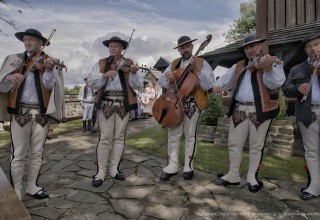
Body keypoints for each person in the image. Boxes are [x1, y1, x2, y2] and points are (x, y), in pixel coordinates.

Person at [212, 32, 285, 192]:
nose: (250, 50)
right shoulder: (239, 65)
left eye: (252, 46)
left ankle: (252, 177)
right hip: (239, 108)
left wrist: (267, 68)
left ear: (259, 46)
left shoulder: (272, 62)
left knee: (256, 145)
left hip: (260, 109)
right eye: (246, 48)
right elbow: (225, 80)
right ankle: (233, 174)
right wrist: (219, 85)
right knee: (234, 143)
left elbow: (276, 82)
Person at [0, 29, 62, 199]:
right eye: (26, 40)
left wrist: (48, 70)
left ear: (41, 43)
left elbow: (50, 87)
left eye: (32, 40)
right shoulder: (13, 61)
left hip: (41, 113)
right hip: (20, 111)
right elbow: (2, 88)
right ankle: (16, 192)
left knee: (37, 152)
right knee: (18, 154)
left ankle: (32, 186)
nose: (27, 43)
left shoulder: (48, 61)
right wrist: (8, 79)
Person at [86, 36, 143, 187]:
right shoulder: (102, 63)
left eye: (116, 46)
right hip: (106, 103)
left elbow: (137, 86)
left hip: (123, 104)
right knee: (105, 138)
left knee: (119, 138)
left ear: (122, 48)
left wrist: (134, 73)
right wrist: (104, 75)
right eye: (111, 46)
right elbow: (90, 80)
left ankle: (114, 169)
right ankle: (101, 172)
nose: (113, 48)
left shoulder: (129, 63)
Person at [157, 35, 214, 180]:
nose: (185, 49)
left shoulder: (201, 62)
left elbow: (209, 85)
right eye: (182, 48)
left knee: (190, 135)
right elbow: (161, 81)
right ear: (179, 50)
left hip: (192, 103)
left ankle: (189, 165)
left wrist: (199, 71)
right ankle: (172, 165)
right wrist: (168, 75)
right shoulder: (174, 63)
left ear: (193, 47)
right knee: (173, 135)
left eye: (187, 46)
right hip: (174, 103)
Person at [283, 33, 320, 200]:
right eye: (310, 46)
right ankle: (314, 187)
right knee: (311, 151)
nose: (314, 48)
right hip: (307, 112)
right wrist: (298, 87)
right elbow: (286, 89)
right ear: (305, 50)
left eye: (317, 44)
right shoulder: (296, 69)